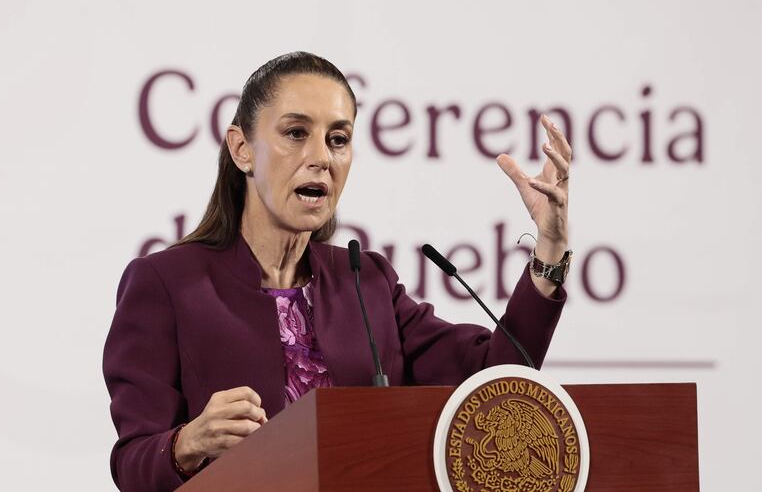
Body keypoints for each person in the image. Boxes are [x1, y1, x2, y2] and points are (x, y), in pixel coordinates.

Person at [102, 51, 573, 492]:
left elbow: (497, 384)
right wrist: (187, 444)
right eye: (295, 133)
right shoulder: (167, 284)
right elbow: (132, 464)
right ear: (242, 149)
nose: (322, 158)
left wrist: (550, 249)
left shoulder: (366, 282)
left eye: (338, 139)